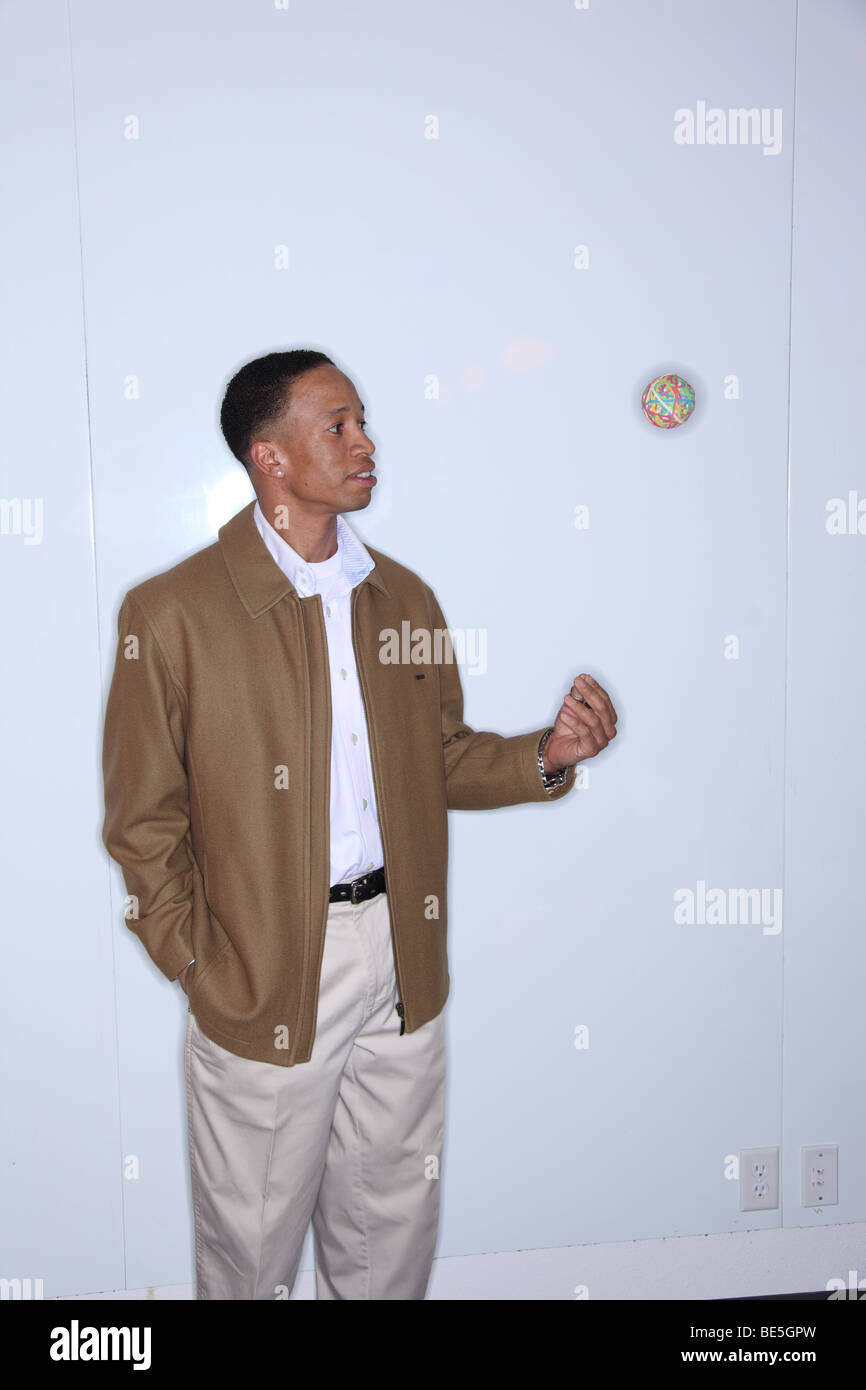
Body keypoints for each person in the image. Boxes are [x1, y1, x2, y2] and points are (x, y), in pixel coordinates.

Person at [101, 348, 618, 1301]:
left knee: (389, 1241)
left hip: (402, 964)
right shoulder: (171, 614)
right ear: (271, 458)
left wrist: (549, 755)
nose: (365, 442)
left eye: (362, 421)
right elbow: (142, 824)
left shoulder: (404, 599)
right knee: (248, 1257)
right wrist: (202, 968)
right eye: (337, 425)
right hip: (261, 971)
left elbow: (442, 759)